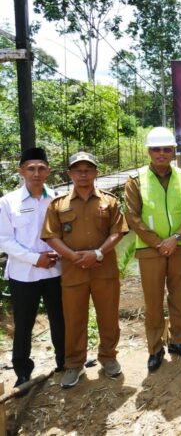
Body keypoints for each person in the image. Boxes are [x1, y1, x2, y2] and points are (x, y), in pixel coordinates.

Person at [41, 152, 128, 388]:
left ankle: (108, 357)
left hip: (104, 269)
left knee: (108, 317)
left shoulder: (109, 201)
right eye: (77, 170)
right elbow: (51, 236)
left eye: (87, 169)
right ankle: (74, 364)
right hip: (73, 271)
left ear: (96, 173)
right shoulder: (58, 204)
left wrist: (97, 253)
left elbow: (118, 231)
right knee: (74, 319)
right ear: (69, 174)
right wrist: (73, 257)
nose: (82, 174)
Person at [124, 127, 181, 372]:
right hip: (150, 249)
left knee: (179, 297)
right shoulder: (136, 181)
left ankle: (177, 340)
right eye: (157, 149)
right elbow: (132, 217)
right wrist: (158, 242)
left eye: (167, 149)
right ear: (149, 151)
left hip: (180, 246)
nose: (162, 154)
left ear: (174, 151)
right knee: (153, 300)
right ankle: (155, 348)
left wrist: (175, 238)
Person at [0, 147, 65, 391]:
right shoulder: (8, 202)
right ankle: (23, 371)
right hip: (24, 274)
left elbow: (64, 233)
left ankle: (64, 362)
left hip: (55, 271)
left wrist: (58, 254)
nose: (36, 173)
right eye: (30, 168)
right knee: (24, 323)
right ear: (21, 172)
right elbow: (4, 239)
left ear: (48, 171)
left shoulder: (58, 198)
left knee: (60, 319)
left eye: (41, 168)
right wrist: (33, 258)